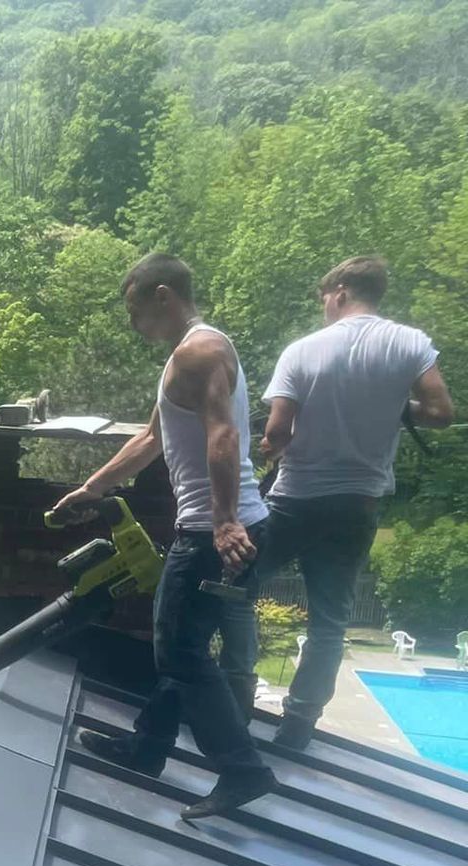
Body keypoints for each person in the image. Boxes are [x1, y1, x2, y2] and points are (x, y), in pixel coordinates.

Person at [49, 253, 275, 820]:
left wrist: (223, 521)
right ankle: (147, 748)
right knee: (187, 649)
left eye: (136, 312)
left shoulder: (197, 353)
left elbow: (224, 435)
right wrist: (93, 489)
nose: (134, 327)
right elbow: (152, 439)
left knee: (177, 650)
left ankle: (242, 769)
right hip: (225, 525)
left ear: (164, 296)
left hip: (211, 532)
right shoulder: (195, 351)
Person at [221, 257, 454, 748]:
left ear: (341, 292)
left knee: (239, 585)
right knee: (330, 619)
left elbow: (276, 432)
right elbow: (439, 413)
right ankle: (299, 724)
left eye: (325, 297)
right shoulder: (410, 344)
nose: (324, 306)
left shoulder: (303, 351)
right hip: (359, 504)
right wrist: (394, 406)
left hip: (298, 498)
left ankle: (236, 694)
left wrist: (271, 450)